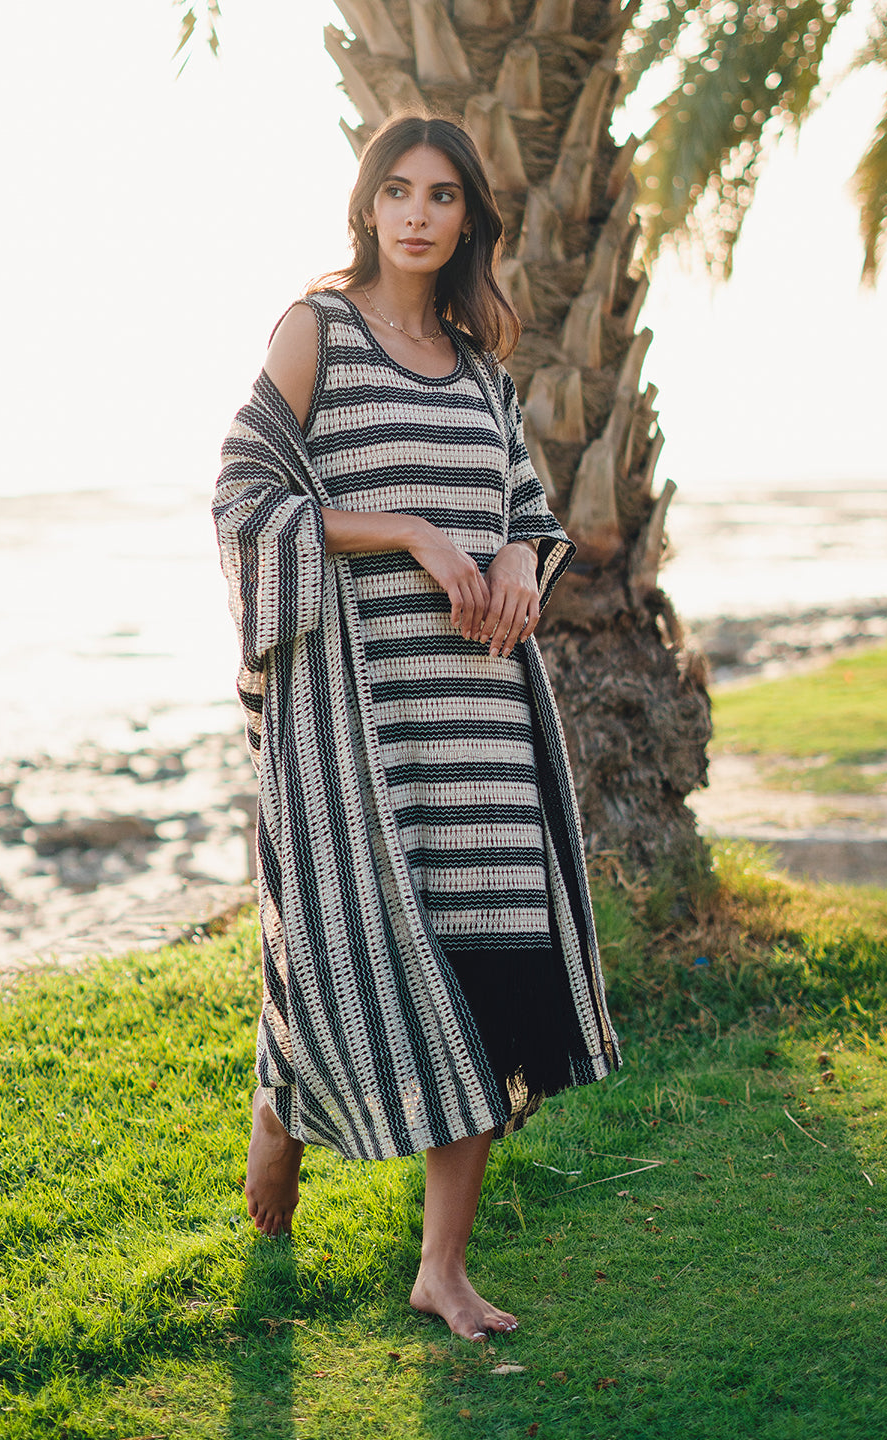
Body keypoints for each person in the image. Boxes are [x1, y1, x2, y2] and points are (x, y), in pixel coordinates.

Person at [213, 112, 621, 1342]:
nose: (418, 214)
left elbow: (526, 507)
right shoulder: (317, 332)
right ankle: (285, 1100)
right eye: (398, 190)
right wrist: (408, 530)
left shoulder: (479, 366)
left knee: (489, 977)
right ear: (368, 203)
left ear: (466, 221)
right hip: (365, 717)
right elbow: (245, 490)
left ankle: (440, 1268)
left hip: (484, 718)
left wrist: (508, 556)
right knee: (353, 947)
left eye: (442, 195)